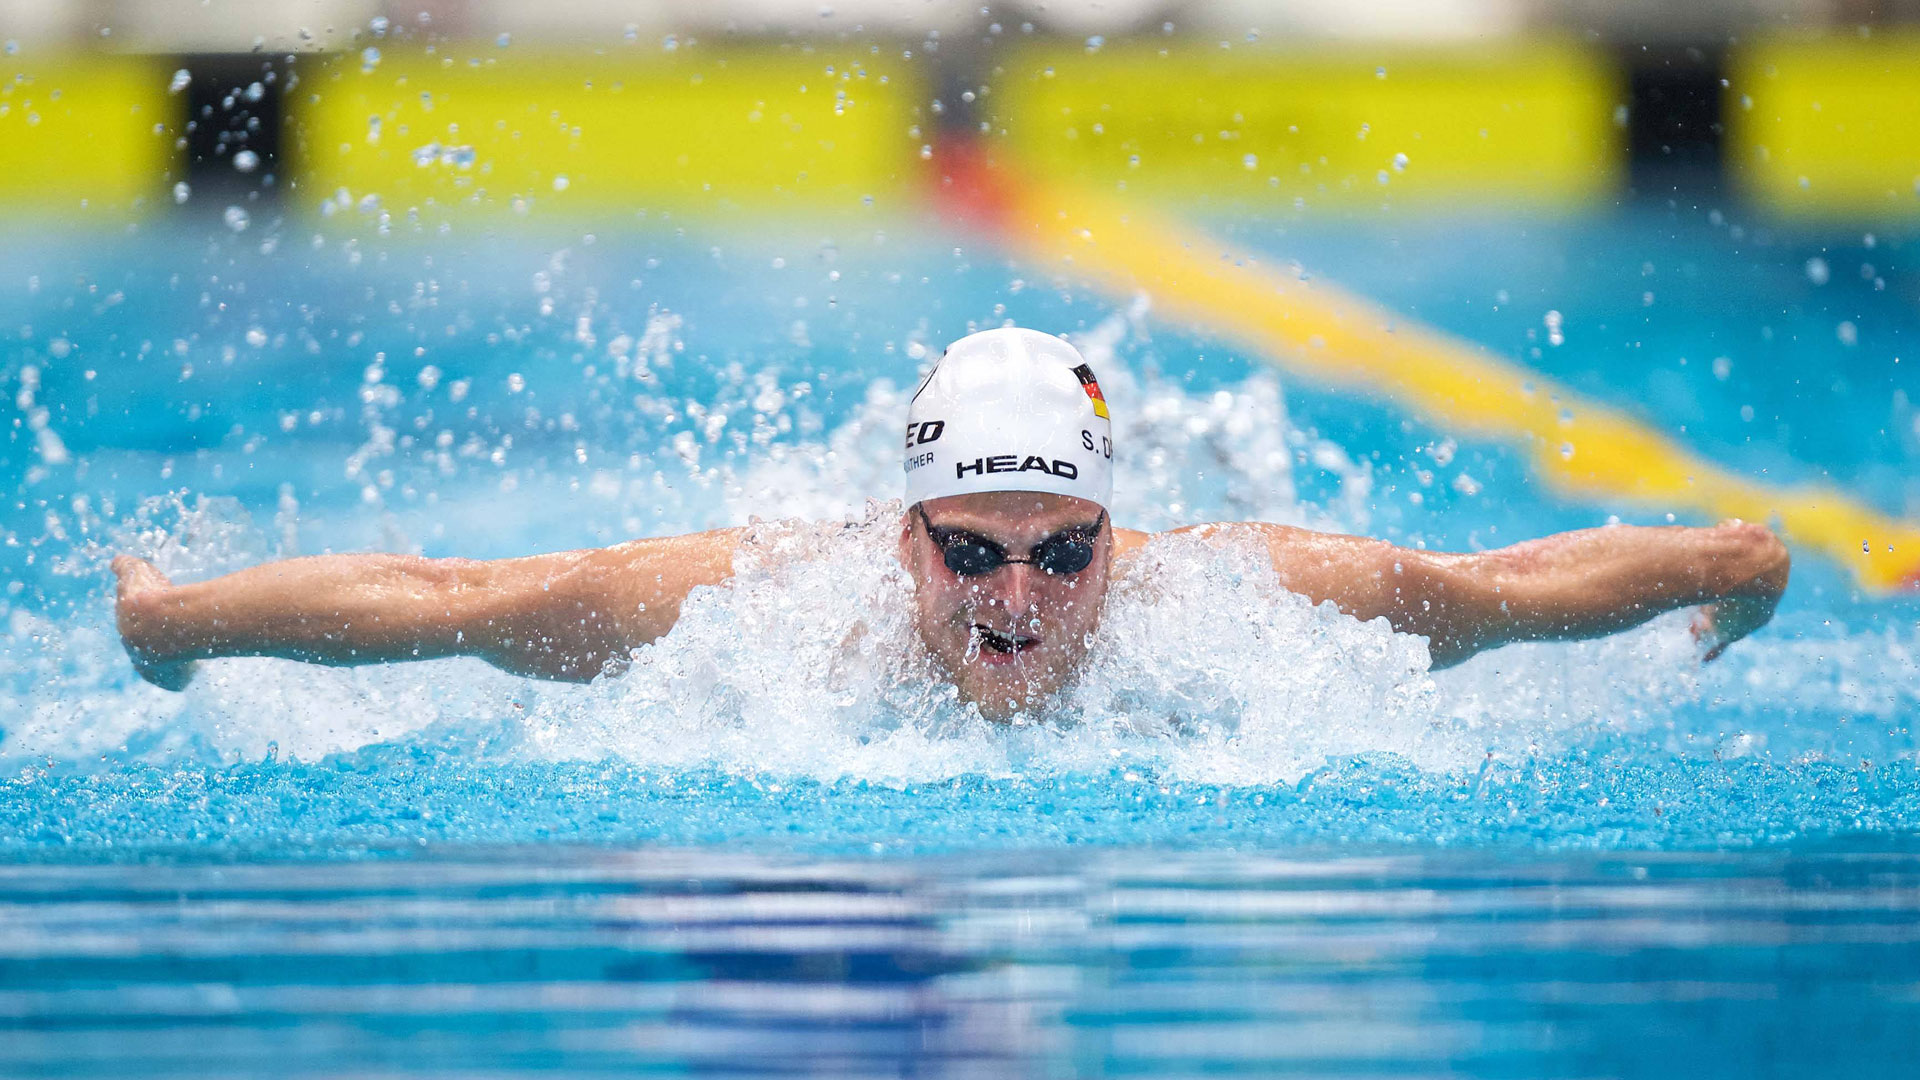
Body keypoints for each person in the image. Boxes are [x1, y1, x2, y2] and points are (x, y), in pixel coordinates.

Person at [112, 327, 1790, 719]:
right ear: (900, 536)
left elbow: (1494, 583)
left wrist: (1731, 565)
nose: (1017, 598)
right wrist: (174, 624)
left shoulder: (1251, 608)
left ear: (1114, 546)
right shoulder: (745, 618)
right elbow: (453, 590)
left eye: (1062, 553)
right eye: (970, 550)